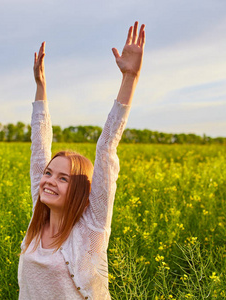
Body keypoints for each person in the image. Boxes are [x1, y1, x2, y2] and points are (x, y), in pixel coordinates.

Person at [18, 21, 146, 300]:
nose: (49, 181)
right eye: (49, 173)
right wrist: (40, 87)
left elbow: (106, 148)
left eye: (63, 178)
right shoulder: (38, 219)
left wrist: (130, 78)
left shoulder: (92, 229)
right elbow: (39, 147)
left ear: (79, 189)